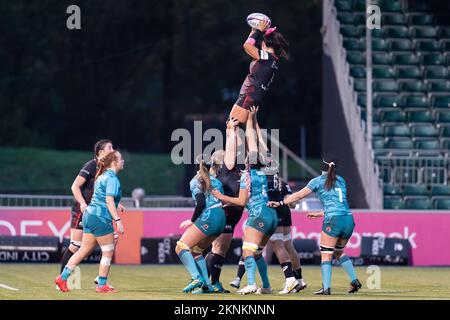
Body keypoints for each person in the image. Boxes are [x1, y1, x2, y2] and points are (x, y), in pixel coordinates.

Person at [213, 107, 293, 295]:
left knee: (248, 251)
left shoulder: (247, 176)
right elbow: (254, 137)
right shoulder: (270, 165)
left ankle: (250, 283)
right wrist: (252, 117)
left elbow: (241, 202)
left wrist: (221, 197)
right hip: (273, 215)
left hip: (258, 214)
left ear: (248, 162)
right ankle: (269, 285)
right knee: (257, 253)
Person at [268, 158, 362, 295]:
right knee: (338, 252)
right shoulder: (341, 180)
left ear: (321, 168)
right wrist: (321, 213)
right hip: (348, 219)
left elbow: (299, 195)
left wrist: (280, 203)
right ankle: (354, 280)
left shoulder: (317, 181)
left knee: (326, 254)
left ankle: (326, 288)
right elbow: (339, 204)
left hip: (334, 221)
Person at [55, 151, 125, 293]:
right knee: (107, 252)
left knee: (83, 250)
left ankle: (62, 278)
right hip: (100, 218)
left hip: (89, 215)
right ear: (114, 163)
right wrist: (118, 220)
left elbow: (101, 198)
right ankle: (102, 285)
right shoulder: (112, 179)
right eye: (120, 158)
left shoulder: (101, 176)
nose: (123, 160)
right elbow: (109, 200)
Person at [204, 117, 246, 293]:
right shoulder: (227, 169)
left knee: (220, 249)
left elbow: (238, 147)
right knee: (219, 249)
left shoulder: (235, 169)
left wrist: (234, 130)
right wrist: (231, 130)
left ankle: (210, 282)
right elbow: (232, 149)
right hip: (227, 214)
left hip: (232, 215)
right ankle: (206, 282)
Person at [175, 160, 226, 294]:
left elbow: (201, 203)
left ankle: (196, 278)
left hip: (210, 216)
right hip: (221, 217)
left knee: (181, 247)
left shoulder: (196, 181)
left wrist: (192, 221)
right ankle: (207, 286)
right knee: (196, 251)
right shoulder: (217, 182)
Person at [229, 18, 290, 124]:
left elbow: (247, 46)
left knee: (232, 128)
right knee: (239, 130)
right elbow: (248, 48)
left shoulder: (267, 57)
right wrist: (253, 32)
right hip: (253, 97)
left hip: (248, 96)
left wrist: (258, 31)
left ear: (263, 44)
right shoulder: (272, 60)